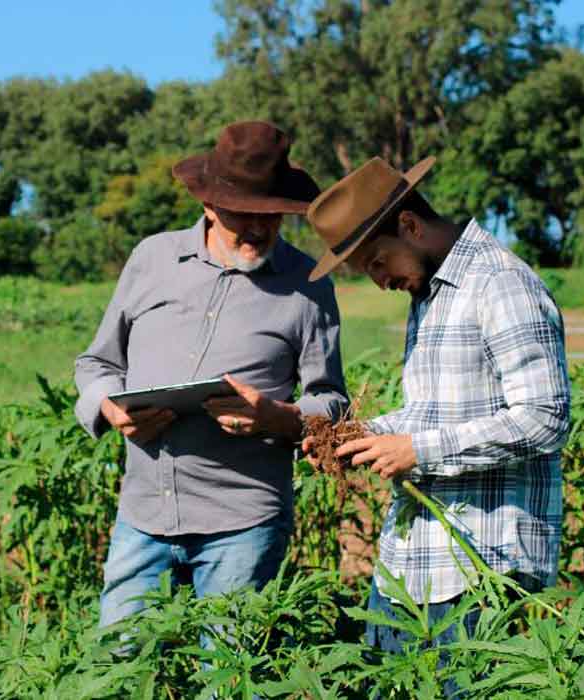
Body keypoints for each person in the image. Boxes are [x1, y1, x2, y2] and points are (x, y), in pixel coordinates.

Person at [303, 156, 570, 689]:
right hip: (412, 566)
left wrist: (419, 452)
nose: (380, 282)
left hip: (481, 568)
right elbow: (435, 412)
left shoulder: (500, 284)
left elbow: (546, 416)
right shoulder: (430, 291)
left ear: (410, 226)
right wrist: (365, 436)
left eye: (378, 263)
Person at [75, 120, 349, 629]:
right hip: (143, 515)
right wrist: (111, 407)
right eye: (241, 215)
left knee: (226, 675)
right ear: (207, 205)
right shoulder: (152, 259)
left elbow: (332, 402)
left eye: (271, 216)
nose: (257, 229)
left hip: (243, 523)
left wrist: (277, 416)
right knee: (118, 665)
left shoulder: (308, 286)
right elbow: (97, 364)